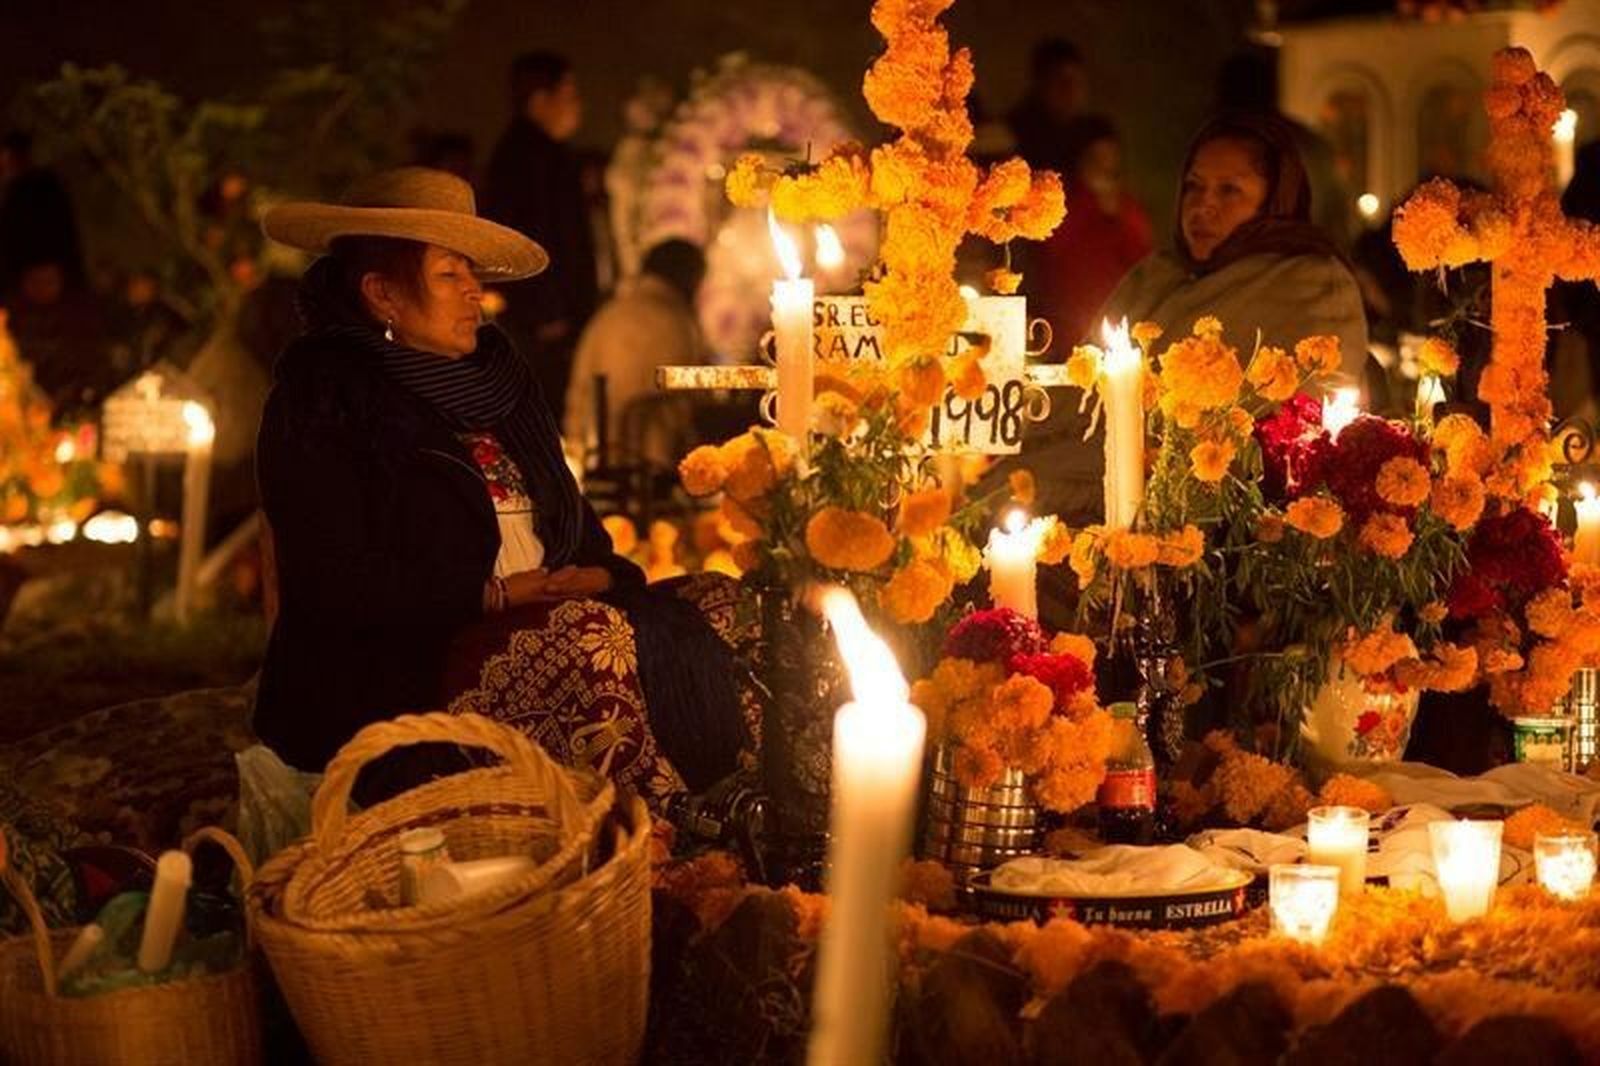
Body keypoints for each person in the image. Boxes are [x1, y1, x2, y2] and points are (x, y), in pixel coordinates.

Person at [254, 167, 747, 804]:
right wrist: (491, 597)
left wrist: (594, 576)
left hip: (544, 614)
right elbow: (339, 580)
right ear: (382, 293)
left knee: (723, 604)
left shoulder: (501, 387)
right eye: (449, 275)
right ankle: (660, 830)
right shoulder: (325, 400)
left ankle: (731, 790)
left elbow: (583, 537)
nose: (474, 295)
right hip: (410, 664)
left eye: (473, 275)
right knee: (591, 644)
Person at [1015, 113, 1368, 530]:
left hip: (1207, 525)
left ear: (1275, 199)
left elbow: (1275, 438)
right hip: (1084, 480)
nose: (1204, 205)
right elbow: (1083, 390)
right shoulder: (1156, 273)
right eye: (1194, 187)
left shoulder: (1311, 284)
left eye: (1230, 190)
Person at [481, 51, 598, 427]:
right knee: (542, 419)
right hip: (544, 326)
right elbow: (527, 235)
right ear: (539, 100)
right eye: (570, 94)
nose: (578, 106)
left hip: (549, 320)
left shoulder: (538, 153)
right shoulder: (527, 156)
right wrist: (547, 313)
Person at [565, 238, 707, 469]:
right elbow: (684, 412)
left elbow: (577, 397)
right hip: (651, 474)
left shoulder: (606, 316)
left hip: (594, 465)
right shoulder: (677, 322)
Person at [1031, 116, 1153, 347]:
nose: (1104, 165)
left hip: (1118, 311)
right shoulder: (1062, 203)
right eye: (1097, 157)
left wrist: (1116, 211)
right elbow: (1052, 249)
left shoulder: (1125, 205)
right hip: (1068, 317)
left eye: (1110, 157)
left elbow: (1141, 257)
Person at [1006, 38, 1089, 174]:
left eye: (1077, 81)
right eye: (1062, 81)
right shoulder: (1012, 135)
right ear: (1040, 83)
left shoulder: (1088, 135)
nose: (1070, 89)